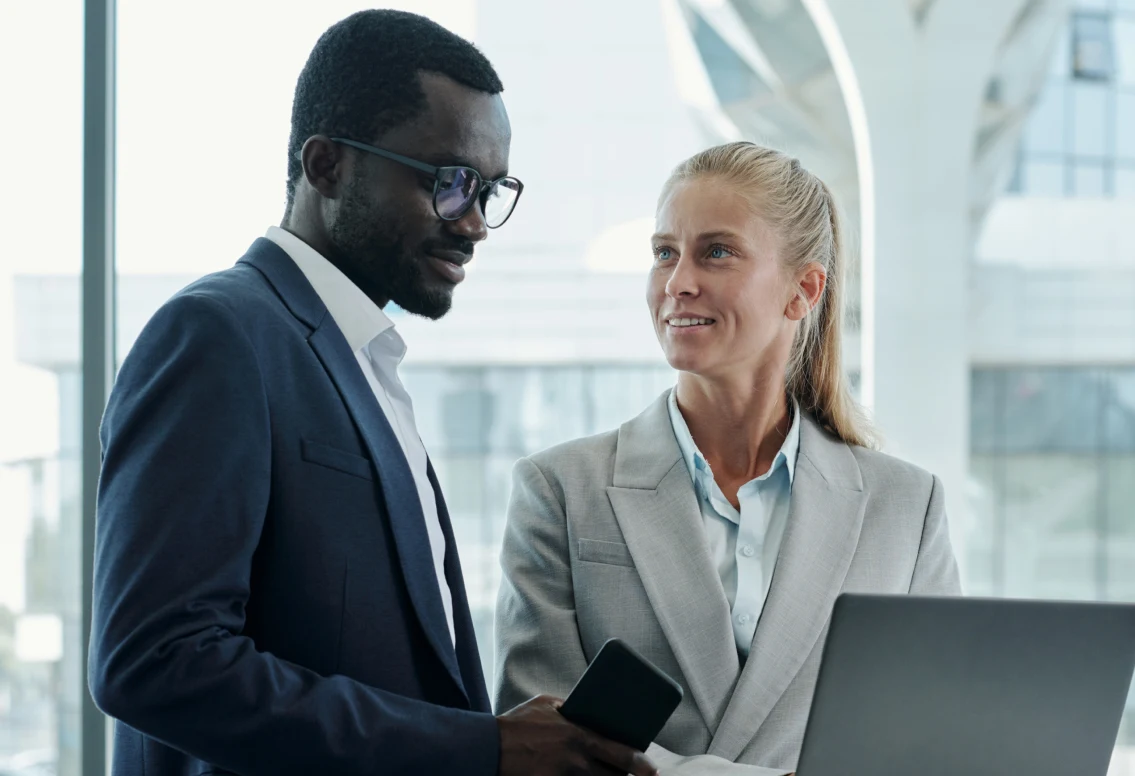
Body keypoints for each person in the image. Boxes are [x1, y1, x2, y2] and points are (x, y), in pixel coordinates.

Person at [88, 10, 656, 776]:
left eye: (491, 191)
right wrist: (478, 748)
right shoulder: (219, 335)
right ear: (327, 167)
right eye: (450, 183)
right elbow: (157, 661)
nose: (475, 224)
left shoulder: (360, 361)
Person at [494, 142, 962, 776]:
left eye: (716, 252)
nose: (678, 282)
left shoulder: (906, 508)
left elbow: (932, 742)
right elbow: (539, 752)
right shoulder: (560, 490)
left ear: (803, 290)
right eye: (665, 253)